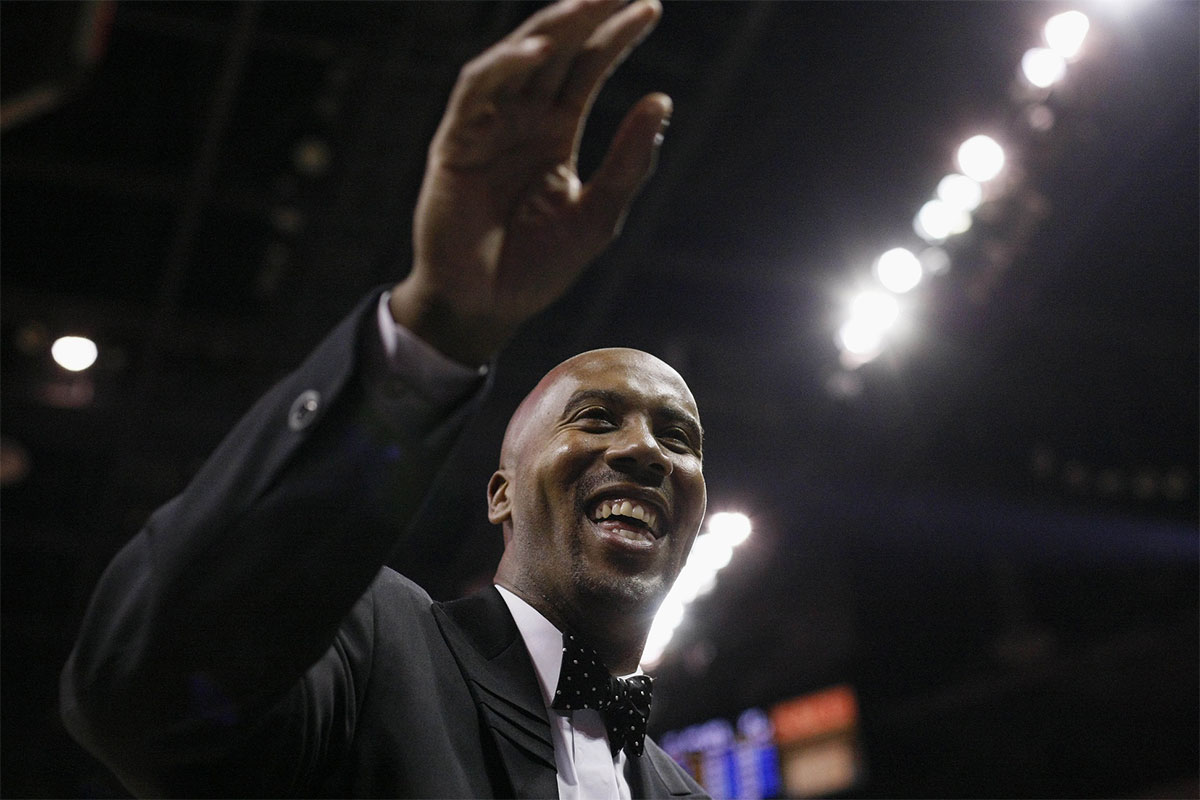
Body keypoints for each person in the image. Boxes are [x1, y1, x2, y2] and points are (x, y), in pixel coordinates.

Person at [60, 0, 709, 797]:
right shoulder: (375, 643)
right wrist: (436, 328)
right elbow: (144, 696)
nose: (645, 450)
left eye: (679, 438)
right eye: (596, 418)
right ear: (500, 495)